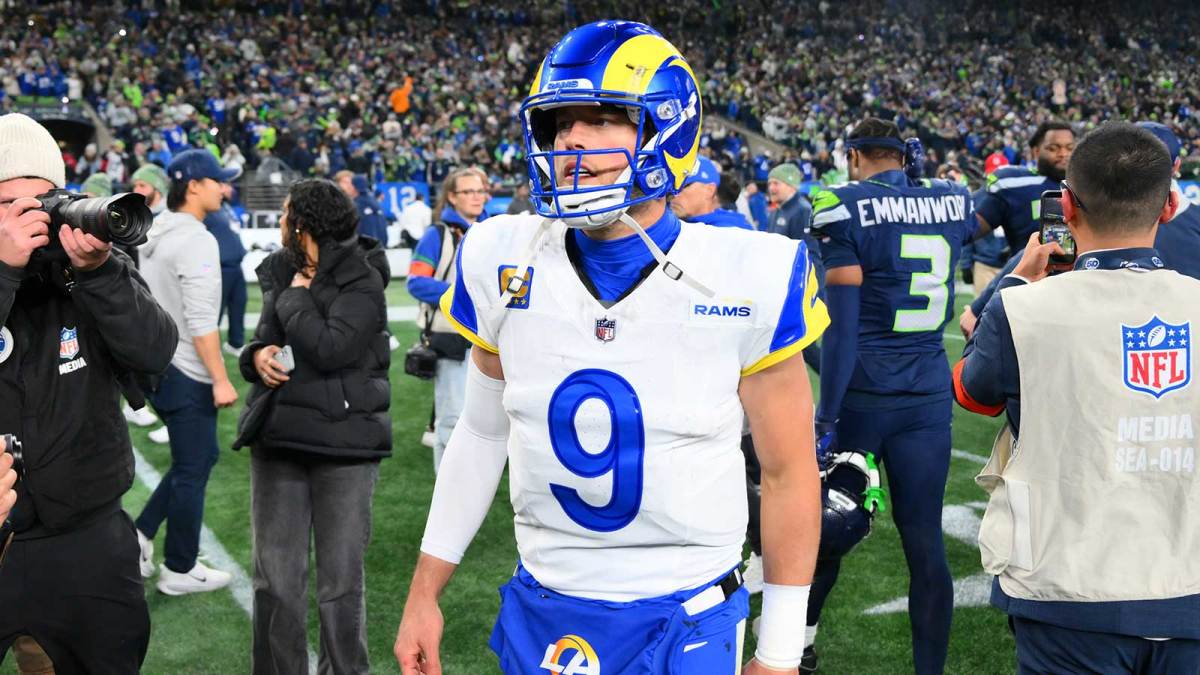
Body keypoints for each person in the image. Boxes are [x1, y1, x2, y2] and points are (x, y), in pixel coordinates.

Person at [395, 21, 827, 675]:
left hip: (686, 610)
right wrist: (424, 592)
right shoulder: (502, 255)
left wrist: (781, 650)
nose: (570, 139)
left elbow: (788, 471)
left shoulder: (747, 271)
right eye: (560, 123)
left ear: (667, 130)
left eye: (600, 120)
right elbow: (481, 435)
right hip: (545, 604)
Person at [955, 122, 1200, 675]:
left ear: (1065, 206)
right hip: (1188, 582)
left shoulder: (1023, 307)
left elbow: (971, 393)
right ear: (1169, 206)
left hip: (1066, 589)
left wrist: (1015, 282)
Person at [0, 112, 176, 672]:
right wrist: (4, 272)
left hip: (88, 535)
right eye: (9, 203)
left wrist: (99, 273)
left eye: (43, 201)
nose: (31, 217)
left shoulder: (92, 265)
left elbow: (155, 353)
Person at [807, 118, 979, 675]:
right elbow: (977, 226)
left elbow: (842, 329)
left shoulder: (841, 203)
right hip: (926, 395)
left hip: (862, 395)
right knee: (925, 543)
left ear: (854, 156)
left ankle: (796, 647)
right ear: (904, 156)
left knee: (827, 529)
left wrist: (826, 415)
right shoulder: (950, 198)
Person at [238, 178, 392, 675]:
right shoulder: (282, 268)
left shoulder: (364, 275)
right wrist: (256, 357)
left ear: (303, 224)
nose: (281, 221)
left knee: (340, 586)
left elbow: (332, 348)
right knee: (274, 582)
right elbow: (265, 339)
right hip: (279, 440)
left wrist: (295, 300)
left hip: (345, 447)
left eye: (287, 214)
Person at [134, 148, 240, 595]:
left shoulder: (157, 229)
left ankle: (140, 534)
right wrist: (220, 378)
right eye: (217, 180)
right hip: (187, 370)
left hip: (158, 364)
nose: (224, 188)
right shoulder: (197, 239)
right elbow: (200, 321)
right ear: (194, 186)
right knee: (194, 467)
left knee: (196, 459)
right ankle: (179, 568)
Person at [958, 121, 1075, 339]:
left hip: (1076, 299)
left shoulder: (1087, 185)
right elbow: (969, 229)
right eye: (1054, 148)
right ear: (1035, 151)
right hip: (1026, 298)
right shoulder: (1013, 183)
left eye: (1070, 148)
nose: (1063, 154)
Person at [405, 167, 488, 471]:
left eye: (480, 191)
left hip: (490, 339)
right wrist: (463, 293)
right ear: (452, 197)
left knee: (489, 419)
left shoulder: (492, 231)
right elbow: (416, 282)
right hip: (450, 337)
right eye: (469, 191)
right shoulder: (437, 234)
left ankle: (474, 478)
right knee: (452, 418)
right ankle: (450, 484)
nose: (477, 197)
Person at [204, 182, 249, 357]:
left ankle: (235, 343)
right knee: (215, 311)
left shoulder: (225, 207)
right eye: (225, 185)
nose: (229, 188)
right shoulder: (209, 210)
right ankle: (208, 347)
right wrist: (206, 268)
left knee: (239, 304)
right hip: (220, 268)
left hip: (236, 267)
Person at [670, 156, 754, 229]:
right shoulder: (679, 226)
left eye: (683, 187)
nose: (674, 195)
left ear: (709, 190)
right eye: (670, 188)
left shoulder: (730, 232)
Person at [336, 170, 390, 245]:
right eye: (345, 182)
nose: (349, 186)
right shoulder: (371, 201)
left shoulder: (358, 205)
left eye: (350, 183)